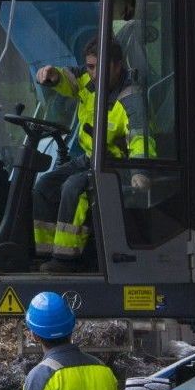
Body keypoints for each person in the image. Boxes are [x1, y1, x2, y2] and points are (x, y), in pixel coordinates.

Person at [31, 33, 150, 272]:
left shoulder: (131, 98)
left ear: (117, 65)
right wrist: (52, 75)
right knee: (45, 185)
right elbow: (68, 79)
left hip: (119, 167)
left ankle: (66, 260)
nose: (93, 73)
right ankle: (43, 255)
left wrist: (139, 171)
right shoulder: (88, 80)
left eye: (98, 67)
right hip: (90, 159)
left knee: (74, 188)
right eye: (90, 66)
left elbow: (141, 139)